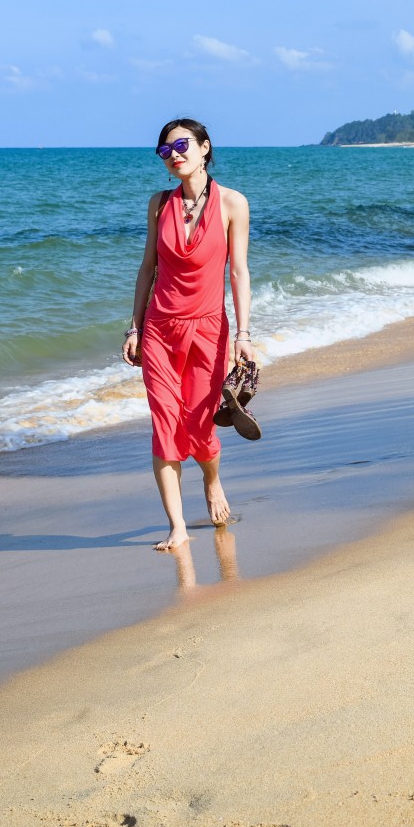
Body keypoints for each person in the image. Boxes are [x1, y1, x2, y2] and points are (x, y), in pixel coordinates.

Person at [122, 118, 256, 552]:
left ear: (204, 148)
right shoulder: (158, 204)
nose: (174, 154)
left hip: (209, 331)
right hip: (160, 329)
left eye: (182, 145)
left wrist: (244, 334)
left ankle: (212, 480)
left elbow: (238, 272)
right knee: (165, 424)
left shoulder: (233, 204)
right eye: (165, 150)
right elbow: (148, 268)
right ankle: (177, 526)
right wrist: (135, 326)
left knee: (199, 427)